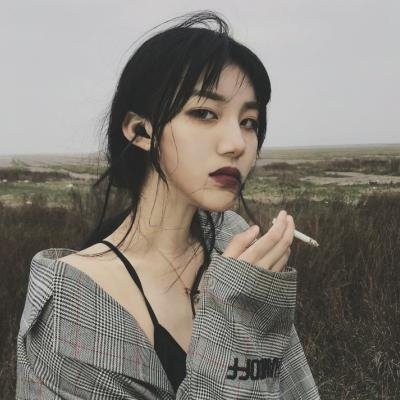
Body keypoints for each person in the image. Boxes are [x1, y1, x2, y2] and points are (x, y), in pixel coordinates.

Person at [15, 10, 320, 399]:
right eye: (204, 113)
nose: (237, 144)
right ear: (140, 130)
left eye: (249, 122)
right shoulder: (71, 310)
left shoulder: (235, 244)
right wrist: (238, 319)